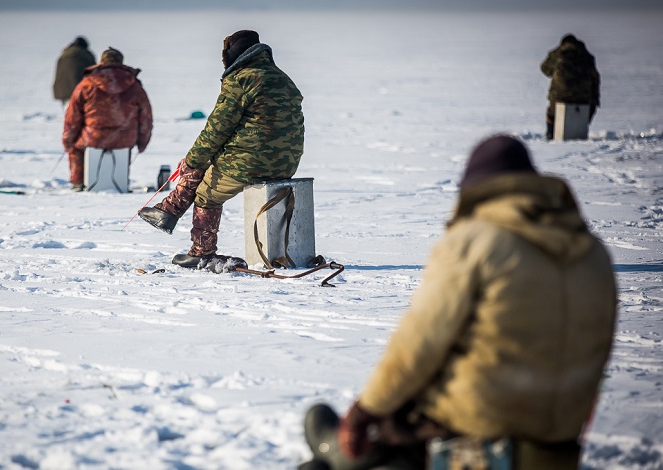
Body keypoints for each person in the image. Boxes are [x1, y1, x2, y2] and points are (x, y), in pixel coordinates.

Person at [301, 135, 617, 470]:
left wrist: (367, 411)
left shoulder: (477, 240)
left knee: (339, 458)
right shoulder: (594, 254)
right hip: (557, 450)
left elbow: (418, 344)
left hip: (477, 441)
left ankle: (337, 452)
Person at [138, 30, 305, 267]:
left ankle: (199, 250)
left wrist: (192, 161)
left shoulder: (241, 79)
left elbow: (217, 128)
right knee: (208, 163)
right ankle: (168, 210)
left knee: (207, 193)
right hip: (286, 162)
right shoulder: (283, 78)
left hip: (252, 161)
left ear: (231, 55)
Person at [62, 47, 153, 191]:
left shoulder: (87, 84)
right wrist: (142, 142)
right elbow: (146, 117)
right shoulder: (134, 85)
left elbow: (72, 117)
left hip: (93, 136)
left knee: (76, 149)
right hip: (125, 137)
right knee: (123, 147)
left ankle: (78, 183)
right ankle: (121, 183)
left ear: (102, 62)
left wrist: (68, 141)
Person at [540, 34, 600, 140]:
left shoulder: (557, 54)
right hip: (584, 97)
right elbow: (595, 78)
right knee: (586, 110)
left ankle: (550, 134)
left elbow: (545, 69)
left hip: (559, 96)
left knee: (551, 112)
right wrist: (595, 98)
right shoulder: (587, 56)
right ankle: (579, 131)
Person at [53, 36, 96, 107]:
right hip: (79, 89)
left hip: (62, 89)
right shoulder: (86, 55)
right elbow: (94, 72)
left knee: (68, 113)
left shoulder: (63, 55)